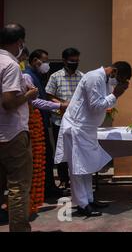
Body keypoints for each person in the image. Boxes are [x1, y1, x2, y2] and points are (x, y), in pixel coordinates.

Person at [55, 62, 132, 217]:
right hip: (76, 128)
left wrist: (113, 94)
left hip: (87, 129)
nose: (120, 83)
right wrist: (115, 94)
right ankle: (82, 204)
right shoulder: (94, 77)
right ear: (114, 72)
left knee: (87, 167)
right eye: (121, 79)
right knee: (77, 168)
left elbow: (101, 104)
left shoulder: (104, 80)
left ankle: (89, 199)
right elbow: (96, 106)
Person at [0, 24, 38, 232]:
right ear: (20, 42)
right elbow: (8, 101)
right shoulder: (11, 65)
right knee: (17, 186)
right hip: (11, 134)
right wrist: (28, 96)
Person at [23, 49, 68, 198]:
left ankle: (48, 187)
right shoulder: (27, 76)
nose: (46, 64)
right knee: (42, 157)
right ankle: (45, 189)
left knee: (46, 156)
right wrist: (59, 106)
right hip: (35, 124)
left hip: (42, 122)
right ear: (35, 60)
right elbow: (34, 101)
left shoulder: (37, 76)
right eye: (44, 61)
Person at [46, 48, 83, 190]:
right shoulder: (55, 76)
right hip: (59, 120)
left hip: (78, 121)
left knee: (77, 151)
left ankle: (78, 179)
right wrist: (62, 105)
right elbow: (49, 95)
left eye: (77, 60)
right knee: (62, 151)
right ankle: (63, 179)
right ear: (64, 61)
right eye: (72, 61)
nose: (75, 63)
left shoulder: (82, 76)